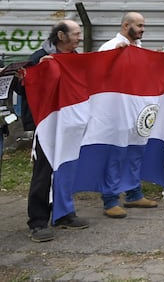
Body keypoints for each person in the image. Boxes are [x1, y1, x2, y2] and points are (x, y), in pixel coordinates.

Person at [14, 20, 90, 242]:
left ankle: (64, 214)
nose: (79, 37)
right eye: (75, 34)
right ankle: (37, 222)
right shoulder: (39, 56)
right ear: (61, 35)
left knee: (66, 167)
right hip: (47, 124)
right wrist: (38, 70)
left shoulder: (75, 58)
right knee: (43, 171)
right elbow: (21, 86)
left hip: (69, 124)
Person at [98, 12, 159, 219]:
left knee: (135, 152)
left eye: (143, 25)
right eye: (139, 25)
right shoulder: (110, 47)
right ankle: (110, 199)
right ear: (126, 25)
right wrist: (114, 56)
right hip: (117, 112)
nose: (143, 29)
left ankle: (134, 193)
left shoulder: (138, 49)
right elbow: (99, 75)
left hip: (136, 111)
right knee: (115, 155)